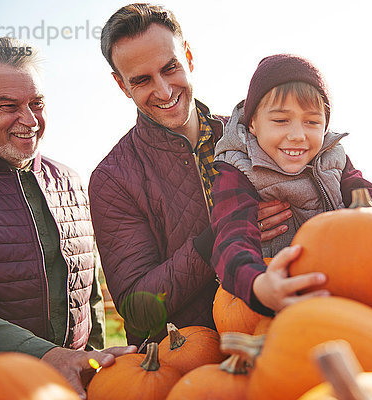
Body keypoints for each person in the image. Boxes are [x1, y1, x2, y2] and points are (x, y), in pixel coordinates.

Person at [89, 4, 291, 346]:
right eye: (141, 80)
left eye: (170, 68)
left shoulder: (250, 137)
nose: (165, 91)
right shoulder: (112, 179)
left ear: (189, 56)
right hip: (181, 363)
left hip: (275, 336)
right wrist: (221, 237)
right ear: (122, 85)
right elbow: (139, 309)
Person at [0, 37, 135, 398]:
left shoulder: (70, 181)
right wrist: (46, 355)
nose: (29, 120)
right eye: (8, 106)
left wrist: (93, 368)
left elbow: (88, 293)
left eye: (36, 104)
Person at [211, 54, 372, 314]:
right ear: (252, 123)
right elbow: (231, 237)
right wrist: (258, 283)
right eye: (281, 120)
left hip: (344, 288)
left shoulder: (333, 158)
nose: (298, 135)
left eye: (312, 122)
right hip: (281, 301)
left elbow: (370, 198)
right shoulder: (238, 168)